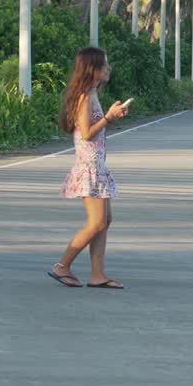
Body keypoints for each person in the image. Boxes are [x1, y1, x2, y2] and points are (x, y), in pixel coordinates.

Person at [48, 47, 130, 289]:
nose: (108, 68)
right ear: (92, 69)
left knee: (105, 220)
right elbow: (86, 134)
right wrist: (109, 118)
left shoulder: (91, 93)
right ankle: (62, 266)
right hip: (89, 167)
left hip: (97, 165)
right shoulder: (85, 96)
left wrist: (111, 117)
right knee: (96, 223)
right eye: (104, 65)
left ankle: (98, 275)